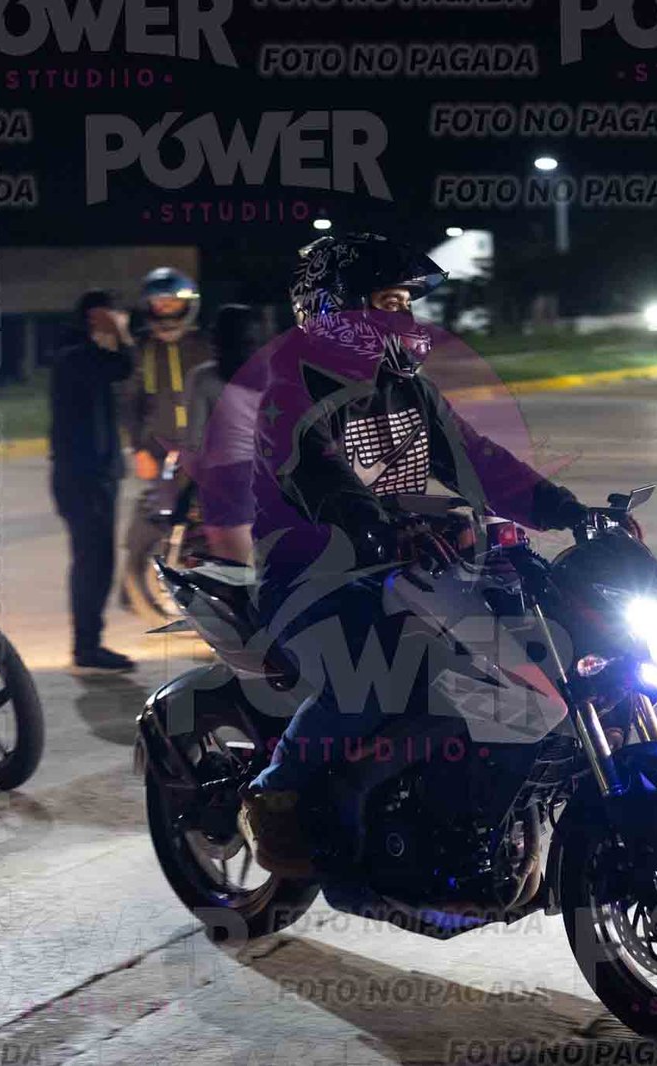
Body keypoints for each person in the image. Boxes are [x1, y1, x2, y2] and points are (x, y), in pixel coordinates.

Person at [237, 233, 590, 876]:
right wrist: (381, 527)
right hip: (313, 577)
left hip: (408, 567)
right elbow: (318, 473)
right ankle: (276, 791)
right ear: (335, 308)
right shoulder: (291, 389)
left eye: (405, 304)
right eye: (387, 302)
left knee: (521, 649)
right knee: (370, 673)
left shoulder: (408, 388)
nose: (402, 317)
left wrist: (569, 511)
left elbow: (479, 461)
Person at [50, 290, 137, 674]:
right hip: (82, 478)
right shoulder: (75, 357)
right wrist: (123, 335)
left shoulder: (82, 356)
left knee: (97, 561)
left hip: (96, 475)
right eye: (109, 317)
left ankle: (89, 643)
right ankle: (87, 646)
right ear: (92, 319)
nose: (115, 322)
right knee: (93, 563)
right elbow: (123, 366)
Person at [183, 303, 264, 564]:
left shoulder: (202, 378)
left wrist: (185, 491)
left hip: (224, 479)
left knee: (231, 571)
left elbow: (193, 441)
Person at [126, 268, 210, 482]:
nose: (166, 309)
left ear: (188, 305)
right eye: (160, 304)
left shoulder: (207, 347)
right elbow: (131, 404)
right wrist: (140, 450)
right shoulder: (143, 350)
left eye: (173, 303)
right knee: (162, 501)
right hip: (159, 453)